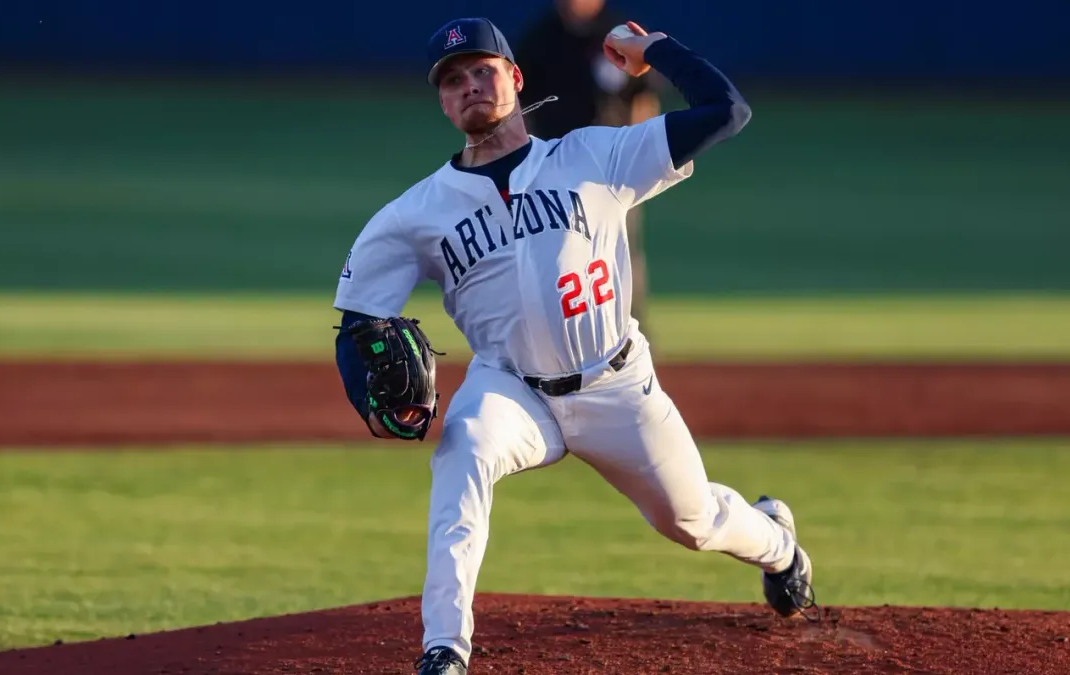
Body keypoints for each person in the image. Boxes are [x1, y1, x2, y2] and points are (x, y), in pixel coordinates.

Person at [332, 16, 815, 675]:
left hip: (614, 383)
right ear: (442, 101)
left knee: (693, 519)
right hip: (510, 387)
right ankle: (444, 648)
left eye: (482, 70)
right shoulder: (415, 213)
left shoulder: (595, 155)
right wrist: (364, 373)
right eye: (452, 79)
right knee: (463, 448)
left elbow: (727, 110)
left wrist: (657, 51)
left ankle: (779, 545)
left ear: (515, 78)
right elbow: (359, 320)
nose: (469, 84)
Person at [514, 0, 661, 342]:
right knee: (556, 253)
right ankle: (555, 338)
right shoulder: (539, 39)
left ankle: (633, 335)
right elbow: (520, 105)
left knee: (623, 252)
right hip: (555, 168)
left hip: (613, 168)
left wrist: (644, 159)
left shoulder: (621, 36)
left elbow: (643, 98)